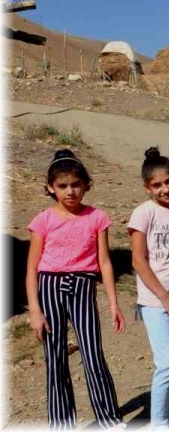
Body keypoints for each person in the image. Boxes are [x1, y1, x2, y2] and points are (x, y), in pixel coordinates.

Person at [26, 149, 125, 430]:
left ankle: (109, 420)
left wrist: (113, 303)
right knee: (55, 358)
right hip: (50, 286)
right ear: (51, 188)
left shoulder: (97, 217)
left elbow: (105, 262)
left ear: (86, 185)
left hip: (83, 285)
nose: (70, 191)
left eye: (75, 185)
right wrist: (35, 309)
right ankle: (61, 424)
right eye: (62, 186)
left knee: (93, 355)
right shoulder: (43, 219)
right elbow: (32, 268)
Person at [129, 147, 169, 431]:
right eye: (157, 185)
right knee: (166, 362)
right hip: (155, 301)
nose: (165, 189)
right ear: (147, 189)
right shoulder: (144, 213)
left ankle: (166, 419)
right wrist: (164, 297)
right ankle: (157, 424)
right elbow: (138, 260)